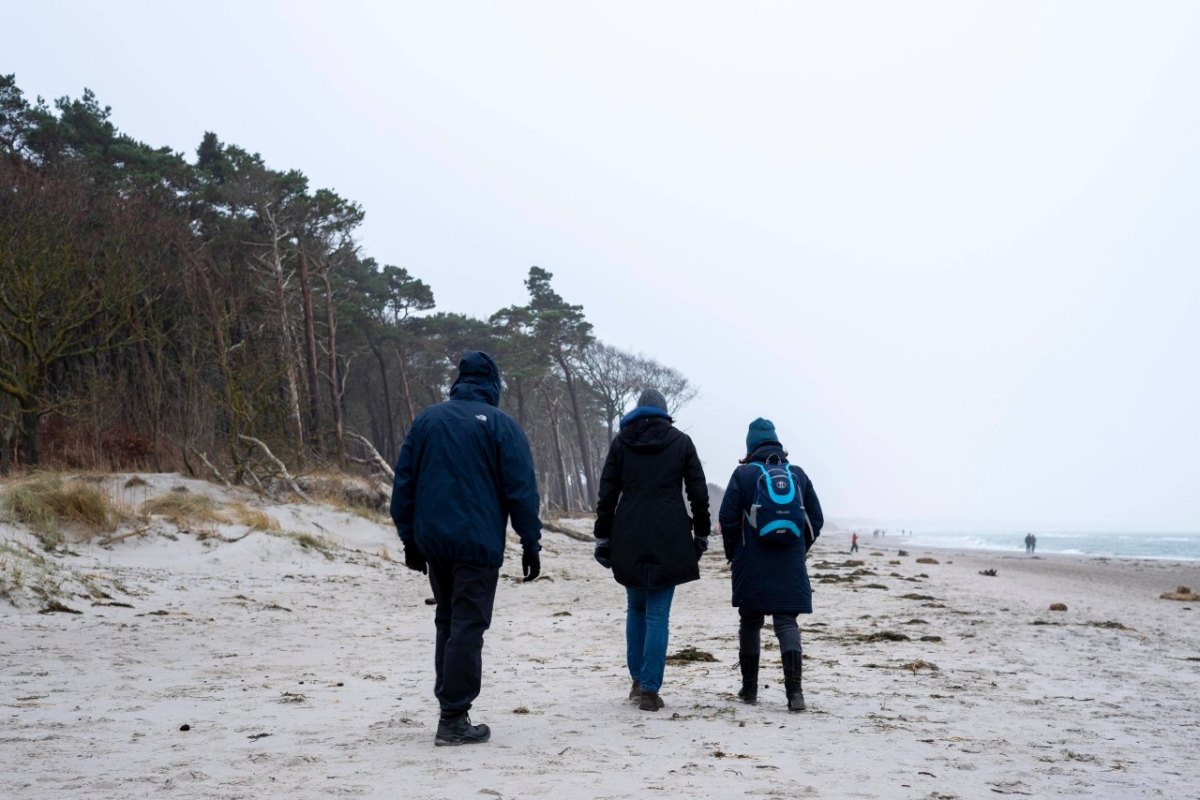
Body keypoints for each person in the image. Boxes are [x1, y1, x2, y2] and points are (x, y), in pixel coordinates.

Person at [390, 351, 542, 747]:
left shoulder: (427, 420)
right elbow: (521, 490)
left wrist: (409, 539)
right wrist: (530, 542)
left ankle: (451, 709)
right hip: (477, 542)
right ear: (493, 383)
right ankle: (453, 717)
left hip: (434, 541)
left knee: (448, 619)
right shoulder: (501, 425)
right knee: (468, 625)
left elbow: (403, 483)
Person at [593, 388, 710, 712]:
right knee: (658, 612)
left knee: (635, 607)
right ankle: (649, 689)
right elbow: (698, 492)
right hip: (669, 531)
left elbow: (607, 494)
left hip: (628, 529)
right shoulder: (681, 442)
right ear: (664, 411)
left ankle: (636, 680)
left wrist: (603, 537)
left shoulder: (621, 443)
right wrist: (701, 532)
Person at [718, 418, 823, 712]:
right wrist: (799, 549)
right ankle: (795, 694)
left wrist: (733, 553)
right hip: (790, 563)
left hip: (751, 561)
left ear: (750, 446)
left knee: (750, 621)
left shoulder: (744, 474)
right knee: (786, 622)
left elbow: (727, 519)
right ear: (777, 443)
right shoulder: (798, 474)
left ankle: (749, 690)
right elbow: (816, 518)